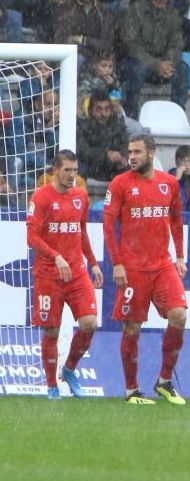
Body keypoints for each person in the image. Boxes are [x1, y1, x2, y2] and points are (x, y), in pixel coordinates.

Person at [103, 133, 188, 405]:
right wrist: (117, 263)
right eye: (130, 151)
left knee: (179, 315)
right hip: (133, 268)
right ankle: (131, 390)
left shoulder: (169, 183)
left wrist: (180, 256)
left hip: (162, 265)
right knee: (132, 328)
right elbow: (108, 226)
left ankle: (164, 381)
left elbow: (176, 220)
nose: (132, 156)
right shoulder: (120, 184)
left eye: (138, 151)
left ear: (152, 153)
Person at [26, 150, 103, 400]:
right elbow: (31, 237)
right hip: (48, 275)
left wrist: (92, 263)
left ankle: (69, 369)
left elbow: (81, 232)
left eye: (75, 170)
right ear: (55, 170)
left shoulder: (80, 196)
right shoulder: (41, 197)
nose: (72, 175)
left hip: (77, 273)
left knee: (89, 322)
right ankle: (51, 385)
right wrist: (55, 256)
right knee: (51, 331)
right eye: (67, 170)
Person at [120, 0, 190, 119]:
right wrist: (156, 64)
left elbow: (176, 44)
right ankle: (130, 114)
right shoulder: (136, 10)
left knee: (182, 69)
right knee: (135, 69)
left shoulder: (172, 14)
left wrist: (168, 63)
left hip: (162, 65)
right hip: (138, 62)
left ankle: (178, 114)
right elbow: (130, 44)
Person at [76, 91, 129, 182]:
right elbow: (82, 151)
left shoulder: (118, 124)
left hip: (115, 167)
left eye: (106, 109)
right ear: (91, 110)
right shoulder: (82, 126)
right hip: (91, 167)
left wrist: (123, 157)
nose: (103, 113)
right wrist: (105, 154)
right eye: (99, 109)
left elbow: (125, 144)